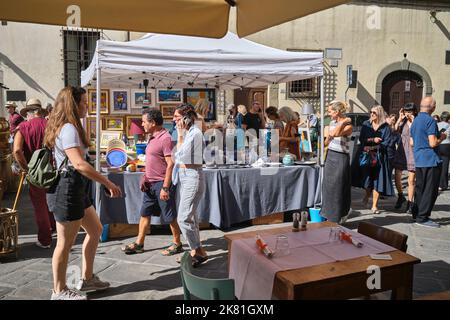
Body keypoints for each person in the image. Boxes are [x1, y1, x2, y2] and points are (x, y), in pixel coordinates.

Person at [44, 86, 122, 300]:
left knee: (95, 230)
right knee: (65, 244)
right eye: (85, 102)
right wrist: (107, 182)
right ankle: (58, 291)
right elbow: (78, 164)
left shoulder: (69, 127)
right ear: (73, 104)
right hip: (67, 189)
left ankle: (87, 279)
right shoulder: (68, 128)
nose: (88, 105)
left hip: (75, 188)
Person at [121, 109, 182, 256]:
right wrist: (145, 177)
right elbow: (152, 161)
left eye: (144, 121)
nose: (142, 124)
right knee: (145, 213)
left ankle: (177, 243)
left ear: (153, 123)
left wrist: (166, 187)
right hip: (149, 184)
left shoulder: (165, 138)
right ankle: (139, 243)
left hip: (162, 183)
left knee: (169, 216)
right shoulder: (152, 138)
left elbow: (170, 164)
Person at [13, 99, 55, 248]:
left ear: (29, 113)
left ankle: (45, 239)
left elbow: (17, 150)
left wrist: (25, 168)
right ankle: (54, 228)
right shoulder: (51, 125)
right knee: (51, 200)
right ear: (40, 112)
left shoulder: (23, 126)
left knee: (40, 206)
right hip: (52, 169)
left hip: (35, 172)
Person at [173, 104, 208, 267]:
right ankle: (197, 251)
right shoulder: (189, 133)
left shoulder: (194, 133)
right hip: (185, 176)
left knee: (183, 218)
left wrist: (179, 137)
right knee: (191, 217)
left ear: (186, 118)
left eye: (177, 117)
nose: (174, 120)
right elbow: (176, 157)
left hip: (192, 176)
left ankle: (197, 250)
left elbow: (181, 156)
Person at [410, 97, 446, 228]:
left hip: (419, 159)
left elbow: (412, 142)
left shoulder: (415, 120)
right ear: (433, 107)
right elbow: (432, 143)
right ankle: (423, 217)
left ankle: (416, 214)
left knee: (420, 189)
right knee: (430, 190)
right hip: (430, 160)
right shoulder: (430, 120)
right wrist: (442, 137)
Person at [352, 105, 394, 214]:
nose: (371, 114)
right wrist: (373, 140)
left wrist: (377, 146)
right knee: (367, 181)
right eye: (370, 112)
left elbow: (388, 142)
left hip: (380, 157)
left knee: (378, 181)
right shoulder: (366, 124)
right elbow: (361, 139)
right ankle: (367, 194)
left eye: (374, 113)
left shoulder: (386, 127)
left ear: (379, 113)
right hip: (366, 156)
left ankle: (375, 205)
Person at [321, 101, 353, 223]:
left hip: (341, 157)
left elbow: (335, 133)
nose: (328, 114)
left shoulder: (348, 125)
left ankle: (340, 214)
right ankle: (328, 214)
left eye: (330, 111)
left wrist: (343, 122)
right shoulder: (332, 122)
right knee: (328, 186)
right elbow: (326, 142)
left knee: (339, 186)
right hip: (330, 155)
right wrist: (339, 124)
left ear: (337, 111)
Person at [392, 104, 417, 213]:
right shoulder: (403, 121)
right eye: (406, 111)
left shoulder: (417, 122)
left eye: (410, 111)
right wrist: (399, 118)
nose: (408, 113)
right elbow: (394, 130)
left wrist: (413, 121)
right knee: (397, 176)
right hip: (401, 151)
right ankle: (401, 195)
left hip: (412, 152)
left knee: (411, 180)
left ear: (414, 111)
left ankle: (410, 203)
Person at [437, 111, 450, 191]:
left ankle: (437, 183)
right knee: (445, 165)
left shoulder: (436, 124)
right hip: (447, 146)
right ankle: (443, 185)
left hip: (438, 145)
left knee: (438, 164)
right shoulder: (449, 126)